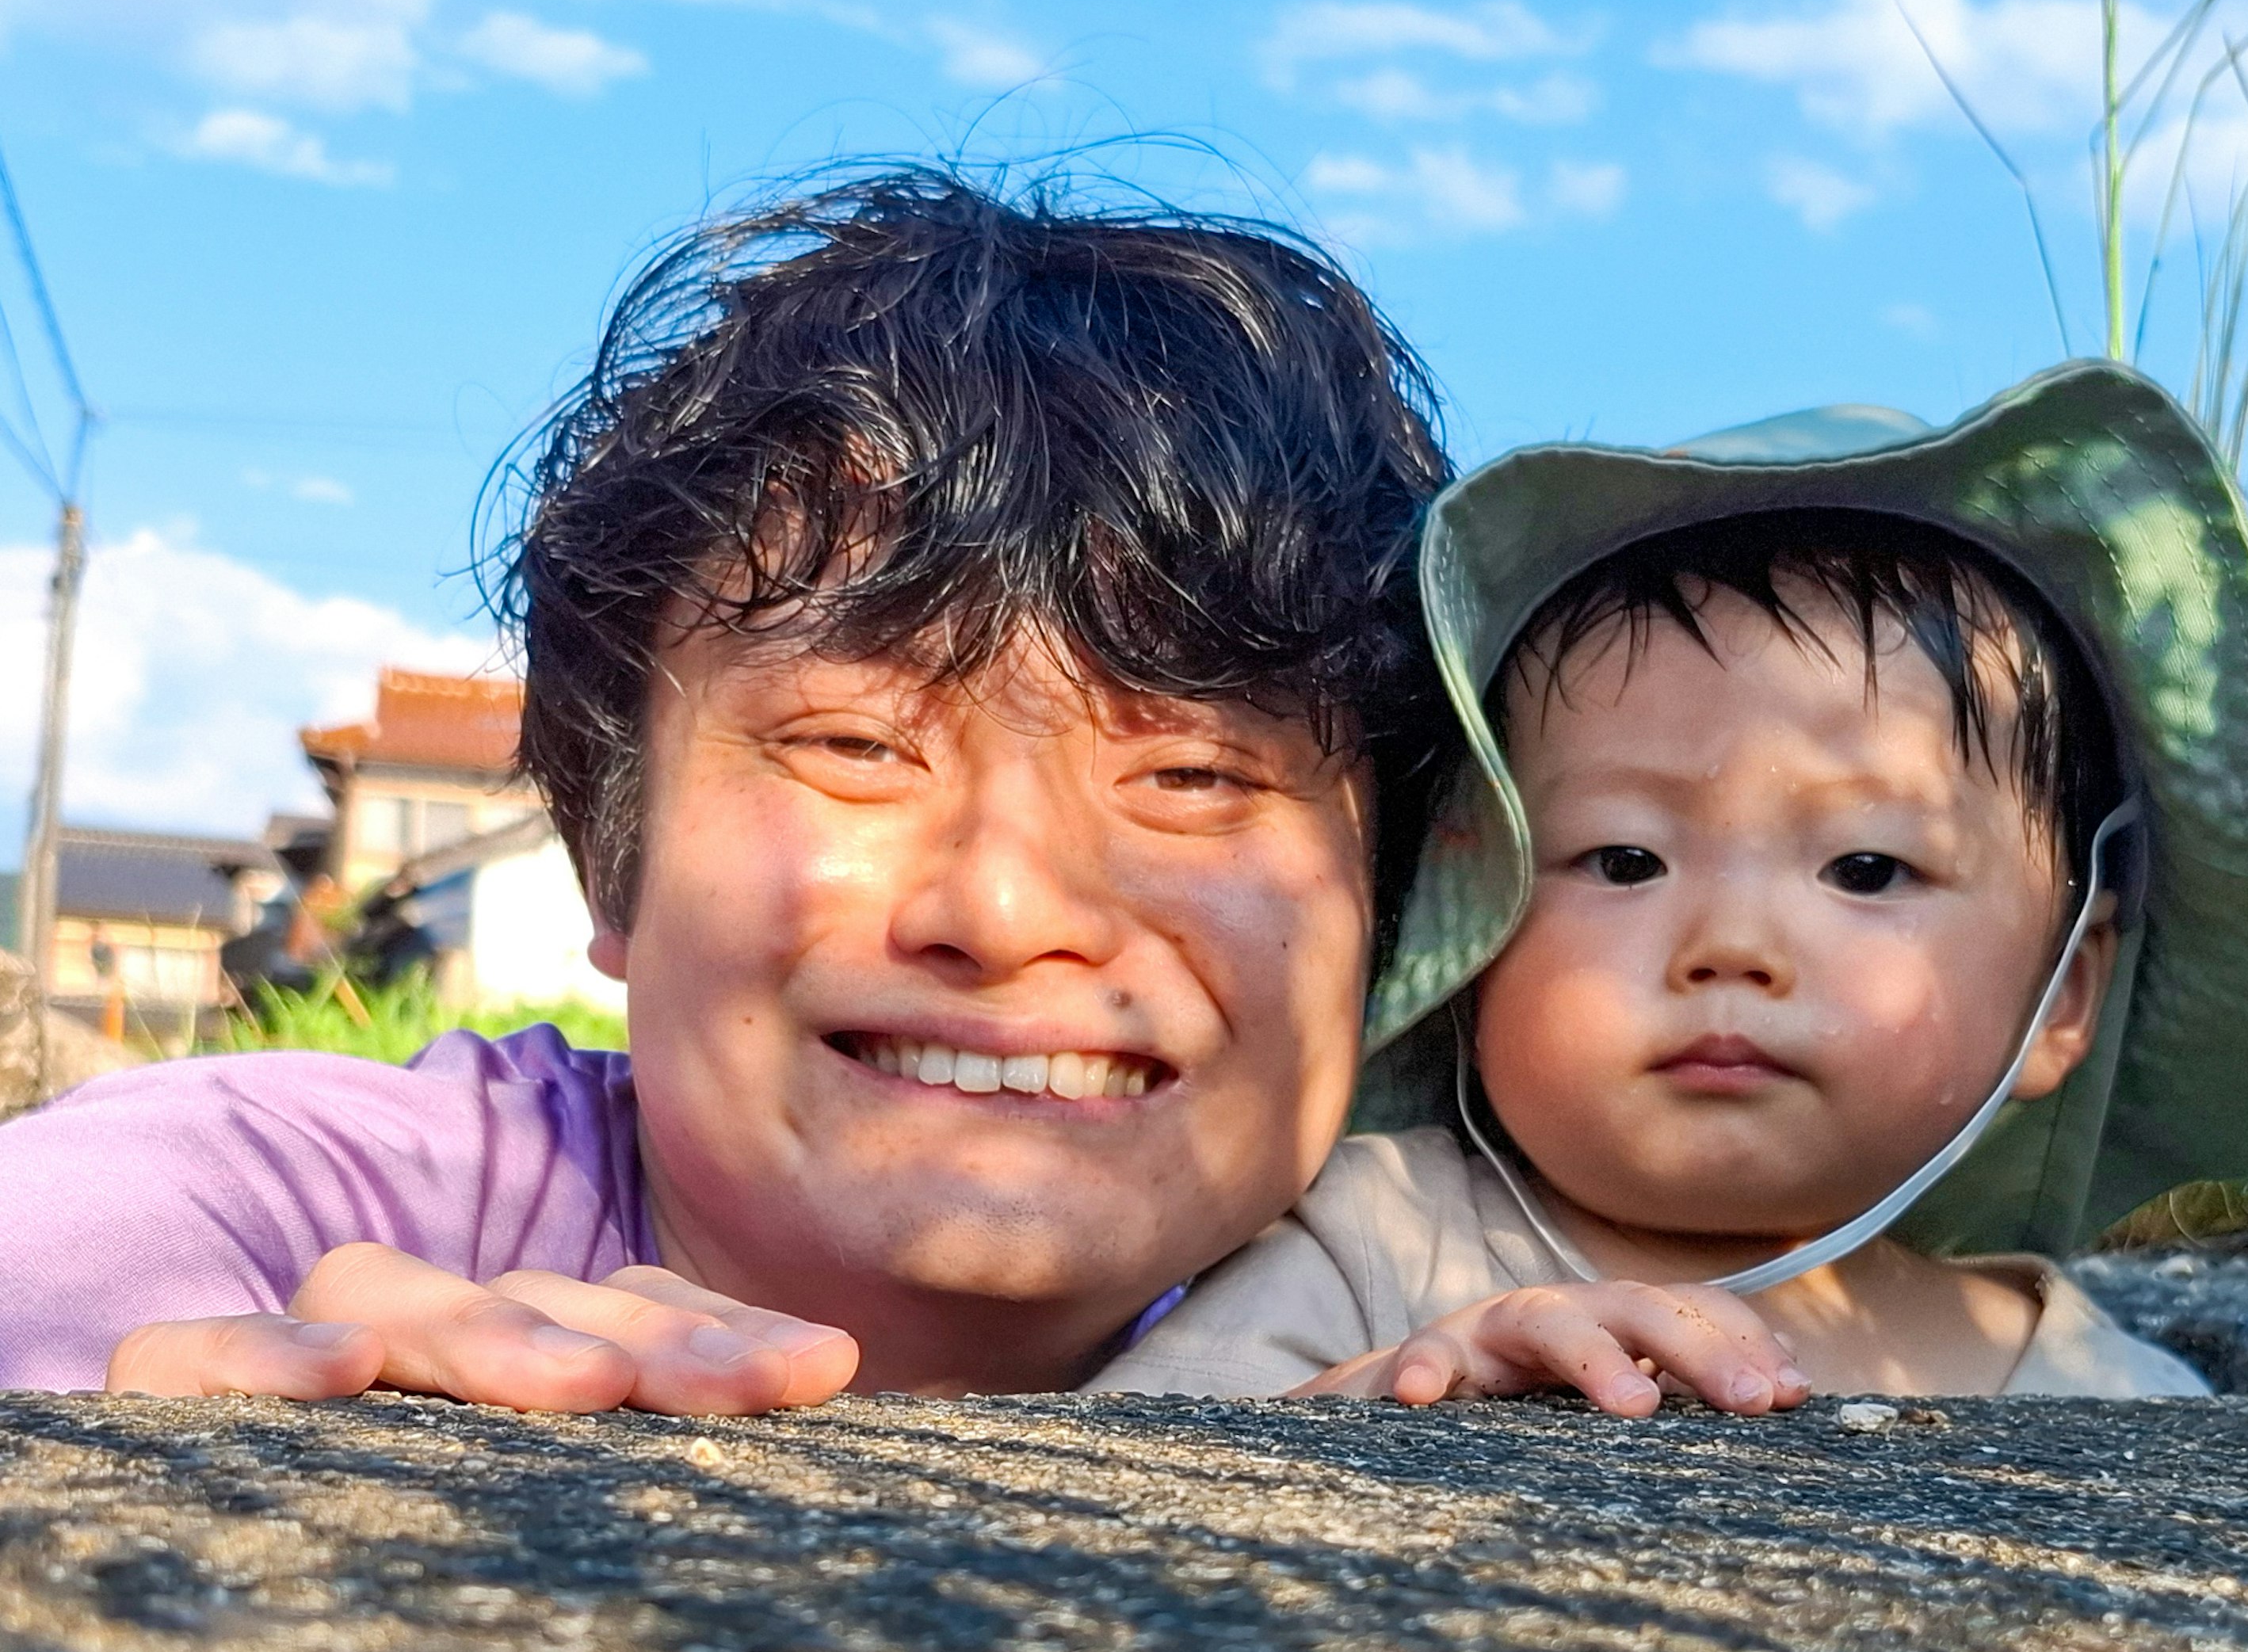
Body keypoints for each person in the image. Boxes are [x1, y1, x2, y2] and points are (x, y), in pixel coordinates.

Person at [0, 166, 1452, 1410]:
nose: (1004, 911)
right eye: (855, 746)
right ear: (609, 857)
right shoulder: (258, 1195)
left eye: (1194, 772)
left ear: (1384, 919)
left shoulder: (1447, 1297)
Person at [1095, 368, 2248, 1408]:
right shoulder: (1370, 1240)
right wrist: (1392, 1397)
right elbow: (1108, 1504)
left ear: (2071, 996)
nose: (1729, 944)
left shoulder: (2105, 1386)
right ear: (1475, 931)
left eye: (1866, 867)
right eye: (1622, 860)